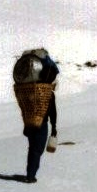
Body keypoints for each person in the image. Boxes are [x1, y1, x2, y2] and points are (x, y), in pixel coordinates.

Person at [13, 48, 59, 183]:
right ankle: (30, 176)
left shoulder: (28, 91)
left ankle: (30, 173)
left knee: (33, 148)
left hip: (29, 123)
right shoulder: (47, 94)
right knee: (37, 149)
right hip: (41, 124)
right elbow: (52, 111)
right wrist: (54, 126)